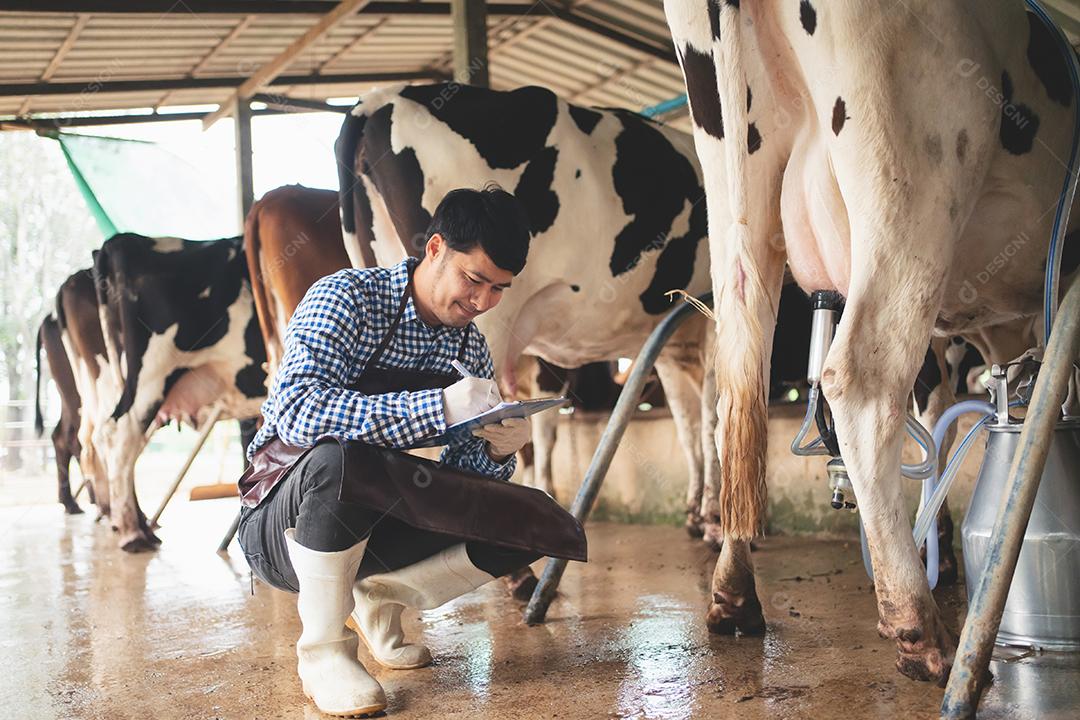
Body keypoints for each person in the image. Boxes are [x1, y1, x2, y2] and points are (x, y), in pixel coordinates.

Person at [236, 186, 586, 718]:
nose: (483, 302)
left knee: (532, 519)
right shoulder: (345, 297)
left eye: (499, 289)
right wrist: (437, 409)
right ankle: (324, 651)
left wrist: (496, 448)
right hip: (281, 522)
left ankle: (378, 597)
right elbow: (299, 412)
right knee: (343, 460)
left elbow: (464, 482)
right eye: (474, 280)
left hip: (380, 518)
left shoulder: (469, 346)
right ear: (437, 248)